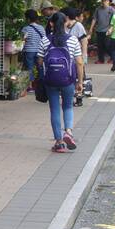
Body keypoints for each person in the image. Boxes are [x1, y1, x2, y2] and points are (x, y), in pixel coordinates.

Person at [38, 12, 84, 153]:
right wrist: (80, 81)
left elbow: (39, 62)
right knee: (68, 106)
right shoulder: (72, 40)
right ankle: (68, 132)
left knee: (55, 109)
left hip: (50, 80)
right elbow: (79, 62)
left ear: (51, 24)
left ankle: (59, 142)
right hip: (68, 80)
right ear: (66, 23)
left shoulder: (45, 40)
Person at [64, 7, 89, 105]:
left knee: (79, 77)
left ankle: (79, 99)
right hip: (67, 58)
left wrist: (84, 56)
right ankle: (69, 98)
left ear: (67, 16)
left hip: (77, 56)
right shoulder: (64, 26)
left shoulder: (78, 26)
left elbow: (84, 41)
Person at [19, 9, 45, 86]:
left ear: (28, 19)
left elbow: (23, 40)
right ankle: (41, 84)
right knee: (40, 68)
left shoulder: (25, 29)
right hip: (40, 51)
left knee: (29, 68)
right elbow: (44, 39)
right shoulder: (41, 28)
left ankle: (30, 85)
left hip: (29, 51)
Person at [91, 0, 114, 64]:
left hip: (107, 30)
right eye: (103, 1)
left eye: (105, 1)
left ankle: (113, 58)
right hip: (99, 30)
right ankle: (101, 60)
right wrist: (91, 28)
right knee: (100, 46)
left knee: (107, 45)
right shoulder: (98, 9)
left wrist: (111, 29)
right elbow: (94, 19)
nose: (104, 2)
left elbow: (114, 21)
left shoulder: (111, 10)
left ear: (108, 2)